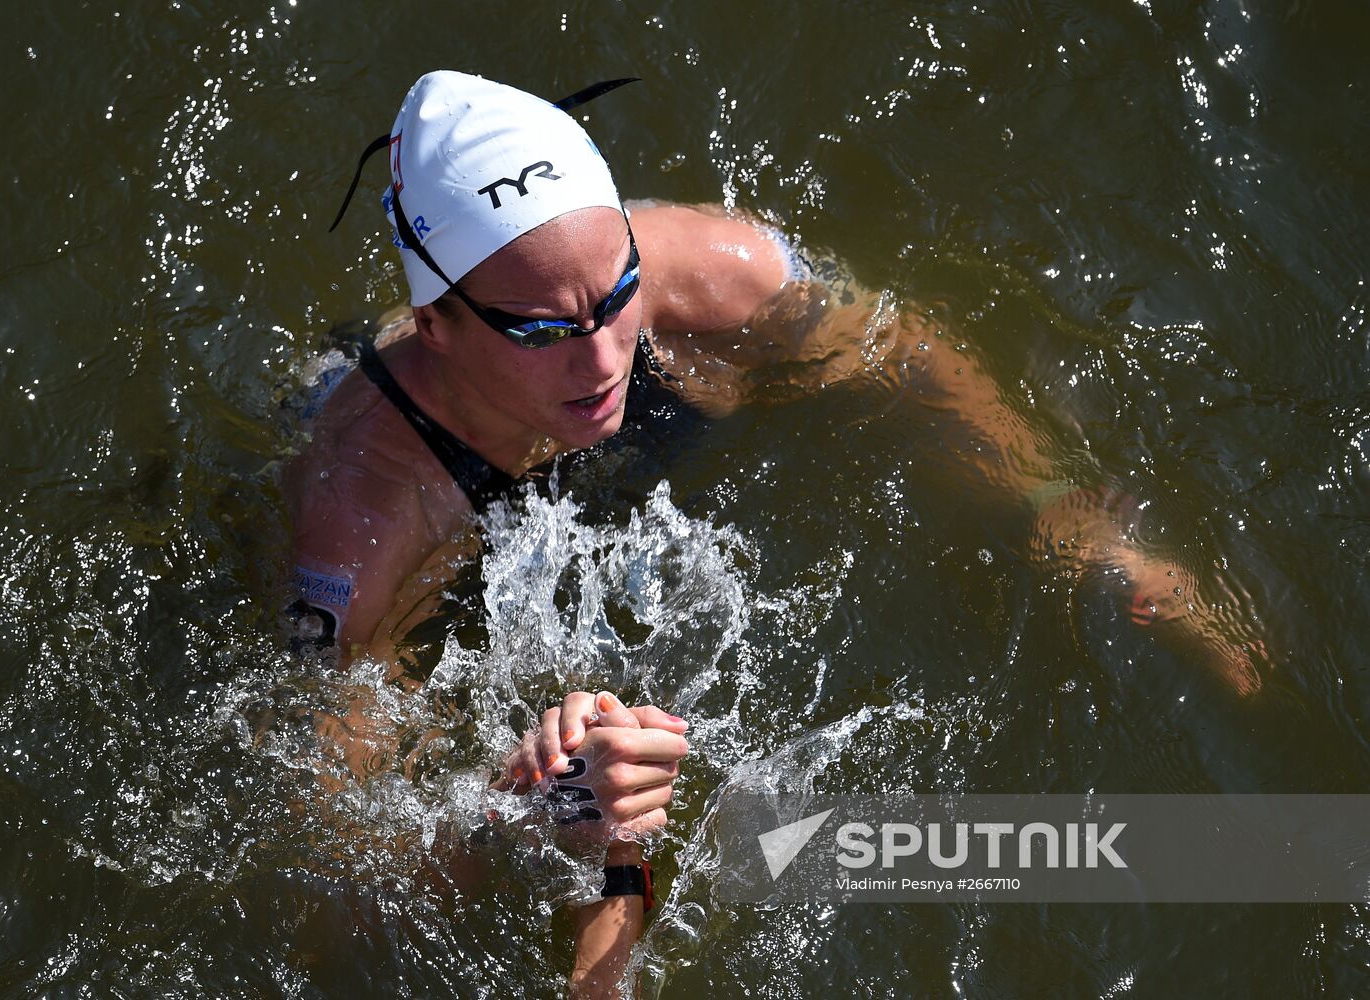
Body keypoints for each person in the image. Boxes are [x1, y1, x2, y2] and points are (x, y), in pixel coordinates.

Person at [288, 69, 1267, 995]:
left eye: (617, 291)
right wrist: (519, 816)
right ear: (438, 323)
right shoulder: (361, 521)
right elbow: (324, 887)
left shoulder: (716, 272)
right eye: (544, 328)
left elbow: (910, 359)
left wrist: (1048, 497)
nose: (600, 356)